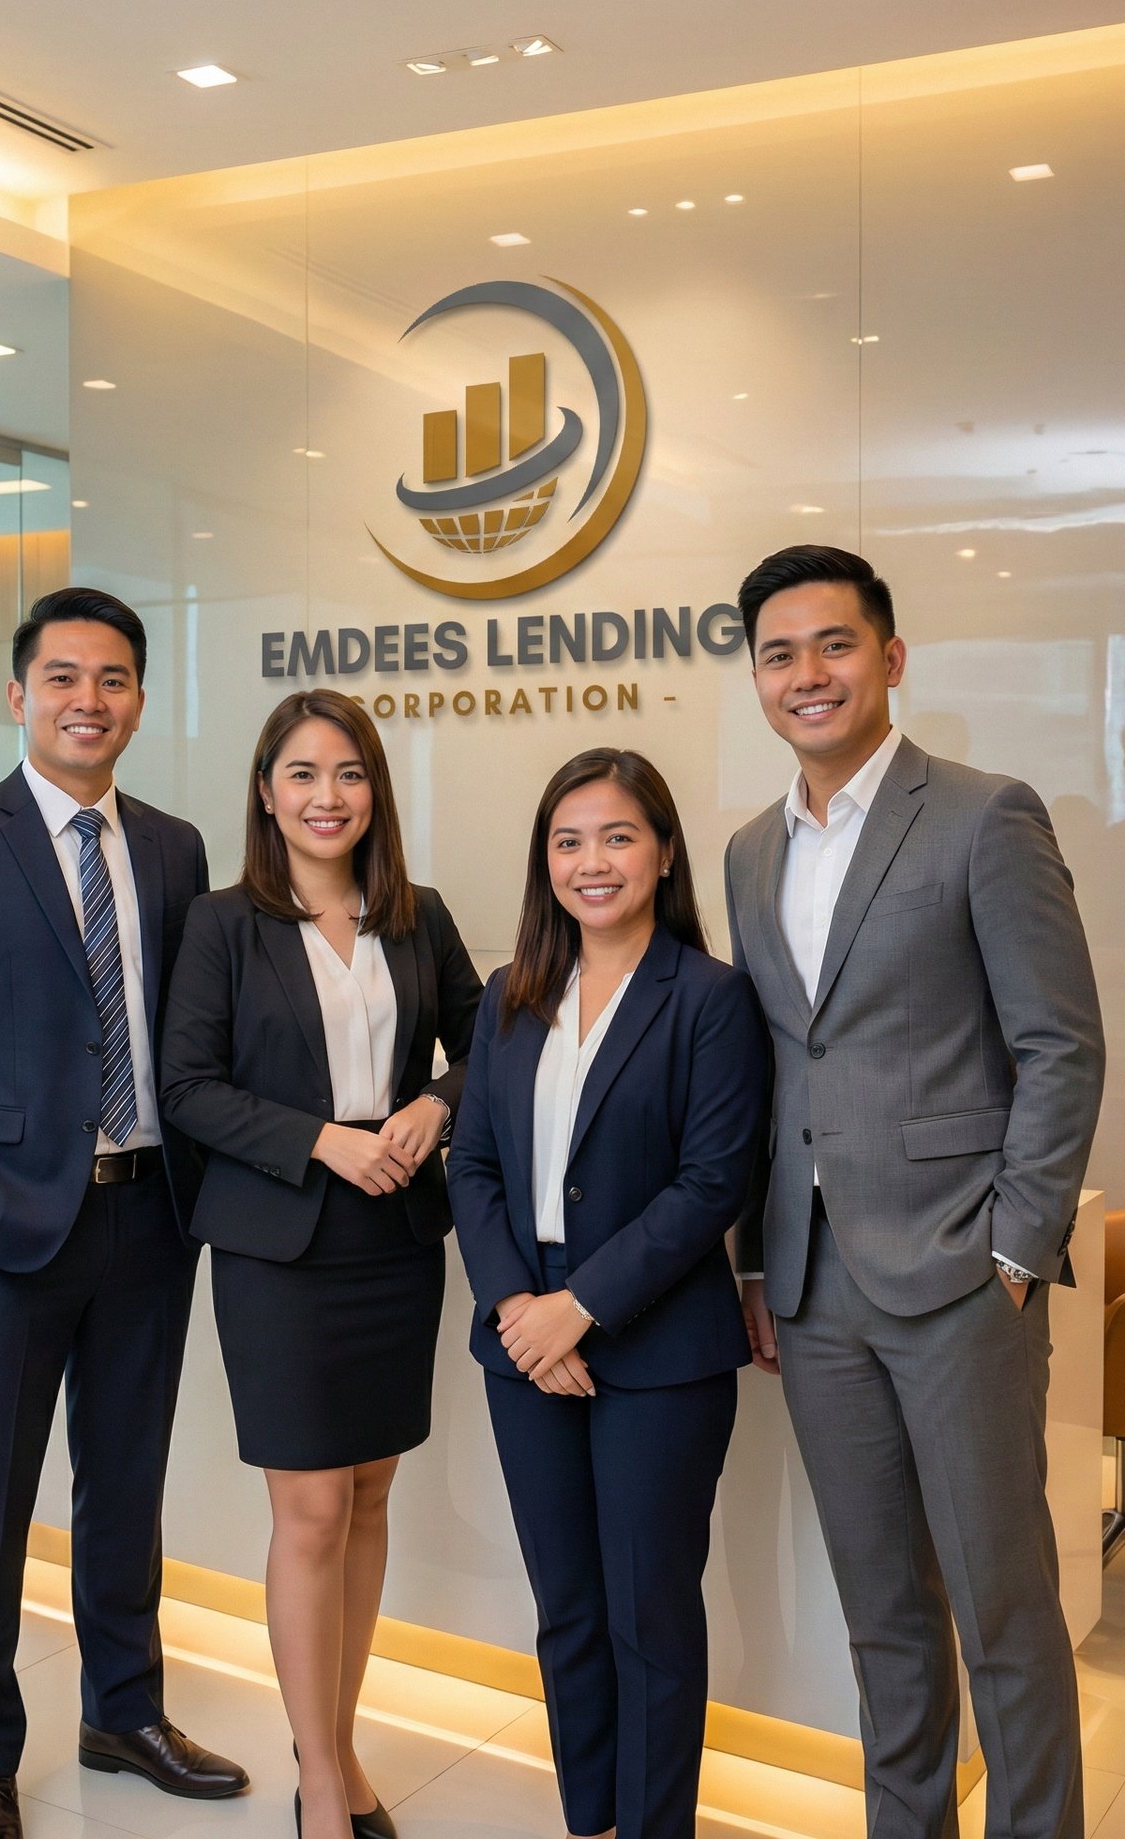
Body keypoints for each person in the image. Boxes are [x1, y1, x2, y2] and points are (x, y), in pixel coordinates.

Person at [0, 587, 248, 1839]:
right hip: (3, 1231)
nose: (91, 700)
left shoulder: (178, 849)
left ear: (139, 698)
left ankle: (122, 1711)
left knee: (126, 1492)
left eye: (114, 679)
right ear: (19, 694)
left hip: (147, 1218)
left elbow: (189, 1042)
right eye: (65, 678)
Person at [724, 545, 1105, 1839]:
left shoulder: (984, 815)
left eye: (834, 645)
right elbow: (781, 1070)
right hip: (818, 1288)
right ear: (758, 680)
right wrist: (760, 1267)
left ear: (890, 657)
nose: (807, 674)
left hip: (960, 1279)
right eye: (779, 654)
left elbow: (1061, 1042)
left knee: (1002, 1607)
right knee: (882, 1612)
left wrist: (1019, 1246)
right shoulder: (744, 852)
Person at [160, 688, 483, 1839]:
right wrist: (321, 1139)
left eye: (347, 774)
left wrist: (435, 1108)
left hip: (393, 1239)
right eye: (301, 774)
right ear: (265, 793)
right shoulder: (222, 925)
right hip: (279, 1246)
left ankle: (335, 1756)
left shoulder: (419, 915)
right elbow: (187, 1088)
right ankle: (323, 1788)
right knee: (307, 1513)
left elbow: (486, 1041)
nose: (326, 796)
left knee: (373, 1494)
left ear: (373, 791)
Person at [446, 748, 768, 1839]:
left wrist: (575, 1309)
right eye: (568, 841)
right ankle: (591, 1820)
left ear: (664, 852)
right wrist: (514, 1311)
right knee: (569, 1611)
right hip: (521, 1346)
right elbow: (474, 1168)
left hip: (658, 1353)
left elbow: (711, 1182)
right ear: (545, 863)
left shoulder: (711, 999)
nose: (593, 862)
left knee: (649, 1616)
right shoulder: (510, 995)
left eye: (618, 836)